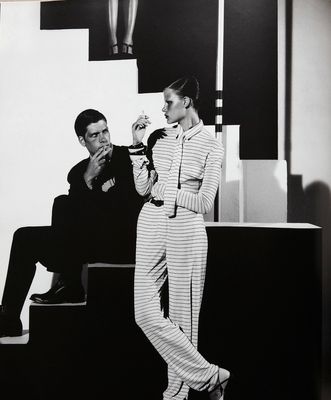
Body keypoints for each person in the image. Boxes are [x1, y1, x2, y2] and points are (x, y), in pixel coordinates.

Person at [0, 109, 144, 338]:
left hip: (122, 240)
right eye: (94, 135)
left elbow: (125, 209)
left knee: (64, 204)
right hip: (85, 245)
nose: (103, 139)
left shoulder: (129, 158)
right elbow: (78, 219)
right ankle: (8, 318)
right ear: (82, 140)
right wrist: (87, 180)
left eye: (105, 131)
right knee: (24, 236)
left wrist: (92, 190)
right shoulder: (78, 173)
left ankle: (70, 282)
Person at [130, 77, 230, 400]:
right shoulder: (160, 138)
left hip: (186, 227)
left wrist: (168, 193)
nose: (163, 108)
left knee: (183, 319)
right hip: (150, 222)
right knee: (144, 312)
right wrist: (137, 145)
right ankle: (212, 377)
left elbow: (204, 202)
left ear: (186, 102)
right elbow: (144, 189)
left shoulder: (212, 144)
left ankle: (176, 394)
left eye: (169, 101)